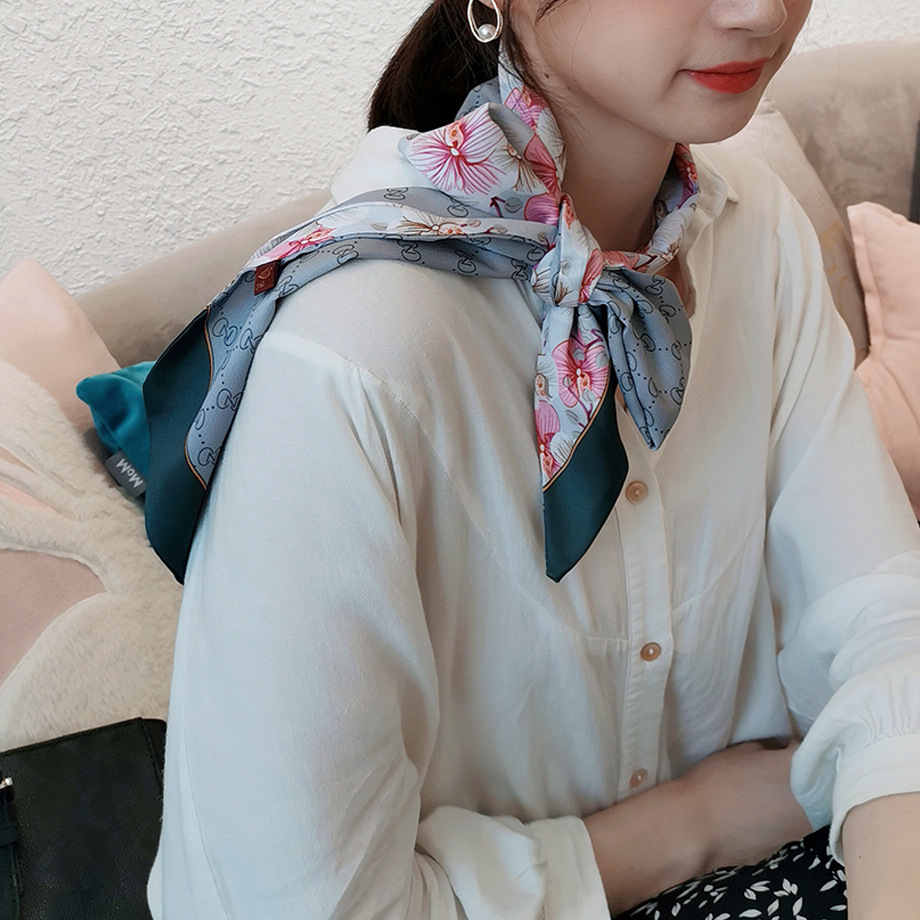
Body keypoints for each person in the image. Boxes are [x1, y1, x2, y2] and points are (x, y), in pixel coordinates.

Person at [145, 0, 920, 917]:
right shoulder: (348, 358)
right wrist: (695, 825)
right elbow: (305, 904)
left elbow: (883, 629)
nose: (759, 12)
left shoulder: (759, 231)